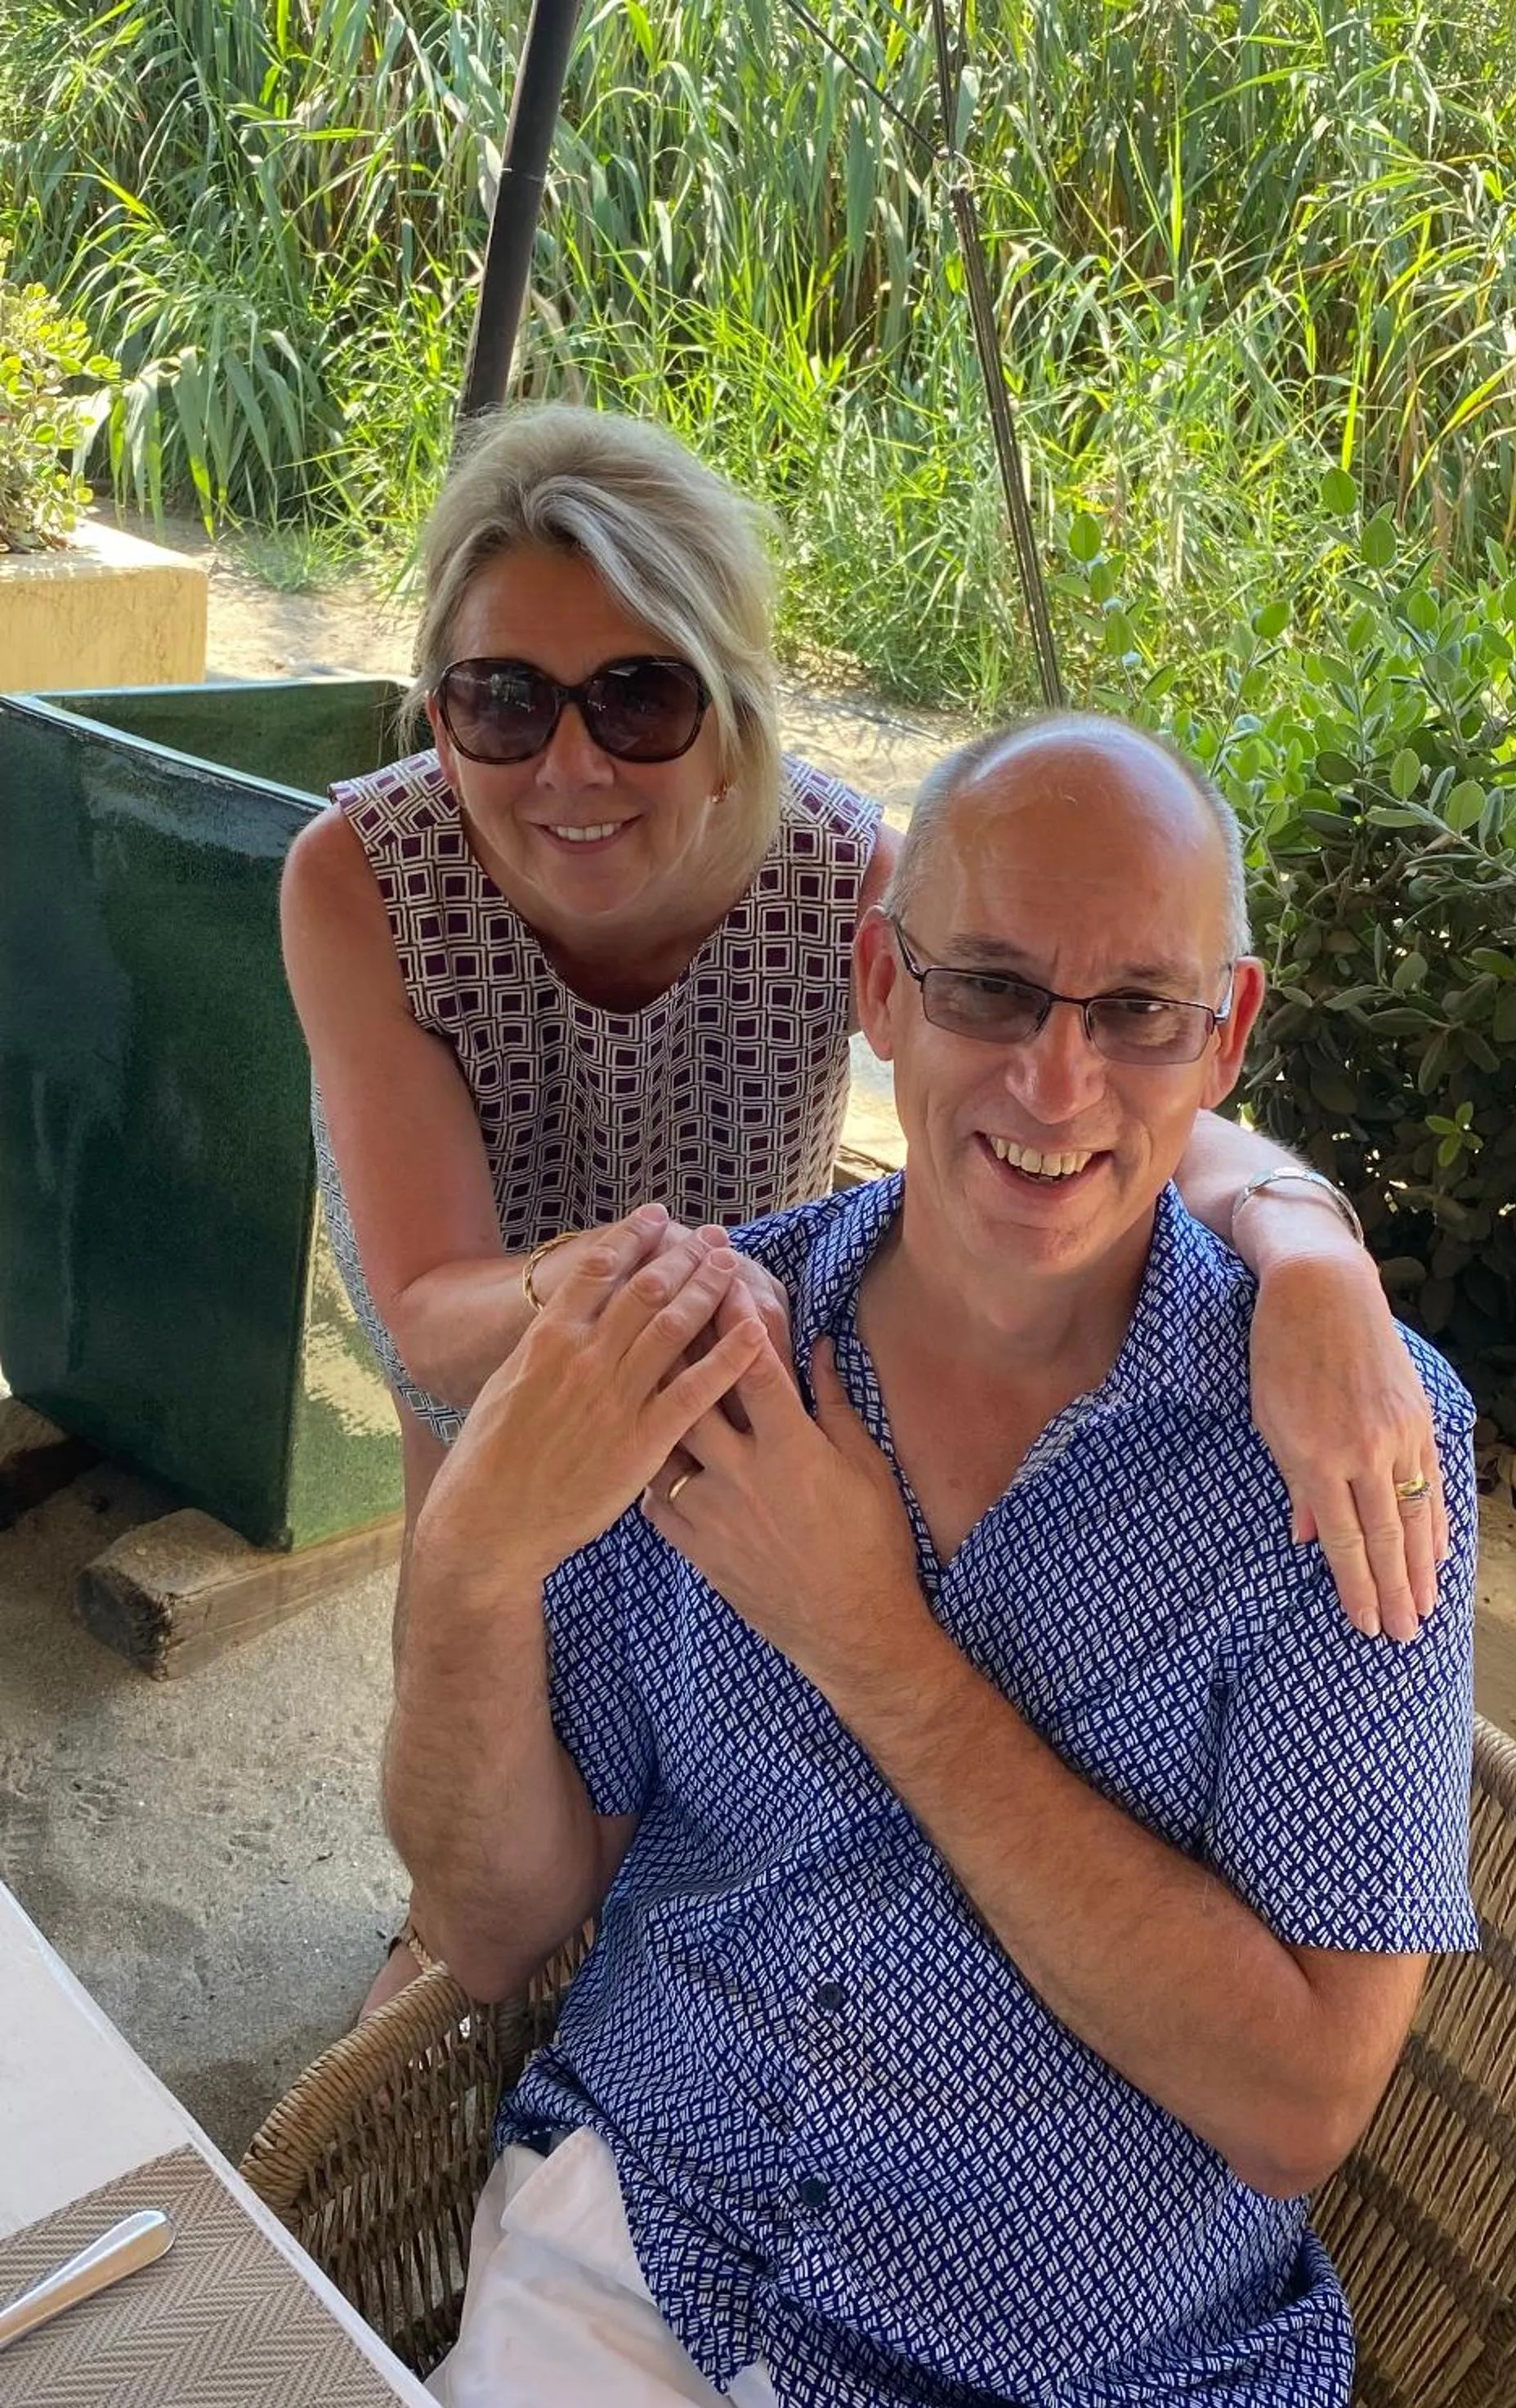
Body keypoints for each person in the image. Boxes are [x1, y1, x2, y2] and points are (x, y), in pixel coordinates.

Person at [281, 405, 1449, 2012]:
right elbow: (428, 1309)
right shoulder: (364, 873)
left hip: (742, 1346)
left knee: (698, 1694)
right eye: (502, 698)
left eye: (638, 697)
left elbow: (1078, 1083)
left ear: (730, 716)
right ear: (439, 710)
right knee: (477, 1624)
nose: (570, 764)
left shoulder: (838, 873)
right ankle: (445, 1947)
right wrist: (629, 1299)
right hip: (509, 1314)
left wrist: (1311, 1251)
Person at [391, 714, 1478, 2408]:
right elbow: (488, 1925)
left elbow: (1299, 2103)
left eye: (1137, 1009)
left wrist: (871, 1645)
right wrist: (469, 1566)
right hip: (644, 2256)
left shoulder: (1345, 1446)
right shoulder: (704, 1354)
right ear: (882, 987)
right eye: (989, 988)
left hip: (1095, 2376)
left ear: (1225, 1034)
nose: (1056, 1082)